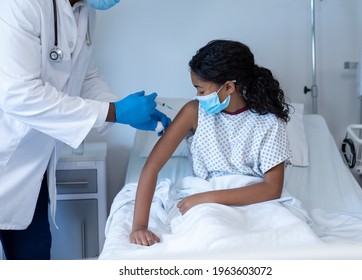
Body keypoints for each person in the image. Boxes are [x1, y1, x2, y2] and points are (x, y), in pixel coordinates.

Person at [0, 0, 171, 259]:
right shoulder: (21, 4)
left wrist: (119, 112)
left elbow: (84, 77)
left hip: (31, 172)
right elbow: (17, 94)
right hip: (6, 151)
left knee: (32, 258)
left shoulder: (84, 12)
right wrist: (115, 112)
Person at [129, 39, 291, 246]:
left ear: (229, 87)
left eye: (202, 90)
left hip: (255, 202)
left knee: (281, 239)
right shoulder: (194, 112)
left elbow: (271, 190)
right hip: (208, 206)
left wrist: (206, 198)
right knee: (213, 234)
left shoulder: (269, 122)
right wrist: (139, 227)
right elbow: (152, 166)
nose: (197, 96)